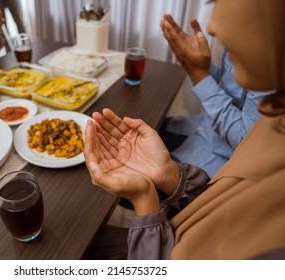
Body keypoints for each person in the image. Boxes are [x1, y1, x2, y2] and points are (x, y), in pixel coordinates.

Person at [85, 0, 285, 260]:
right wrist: (169, 175)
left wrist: (146, 202)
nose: (212, 26)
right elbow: (218, 205)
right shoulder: (274, 120)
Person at [158, 14, 272, 178]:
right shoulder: (241, 37)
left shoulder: (271, 62)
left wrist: (198, 75)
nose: (211, 27)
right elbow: (232, 93)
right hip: (205, 129)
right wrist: (204, 68)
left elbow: (246, 142)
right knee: (146, 130)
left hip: (225, 157)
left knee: (135, 174)